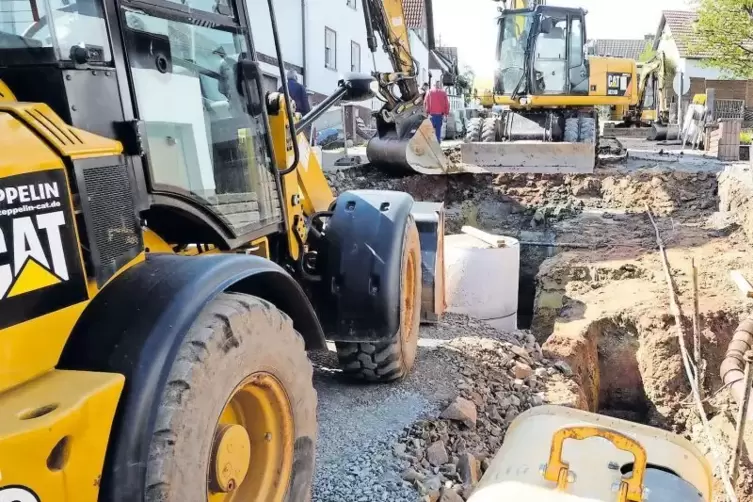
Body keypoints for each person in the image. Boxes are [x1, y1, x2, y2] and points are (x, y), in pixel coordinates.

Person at [279, 69, 312, 138]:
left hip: (285, 119)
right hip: (299, 119)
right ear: (296, 77)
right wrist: (309, 118)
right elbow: (305, 103)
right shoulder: (300, 88)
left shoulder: (281, 89)